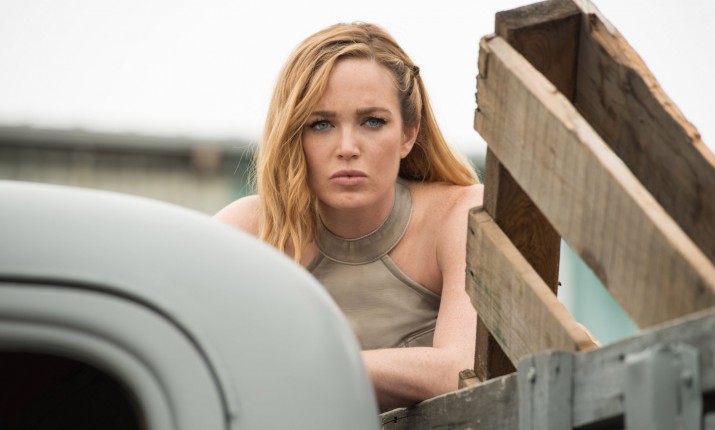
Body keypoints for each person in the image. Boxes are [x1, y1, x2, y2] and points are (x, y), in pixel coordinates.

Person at [214, 22, 483, 411]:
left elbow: (459, 371)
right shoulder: (249, 231)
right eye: (321, 124)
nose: (347, 147)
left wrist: (298, 366)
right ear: (294, 135)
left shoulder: (458, 214)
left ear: (408, 134)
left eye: (373, 121)